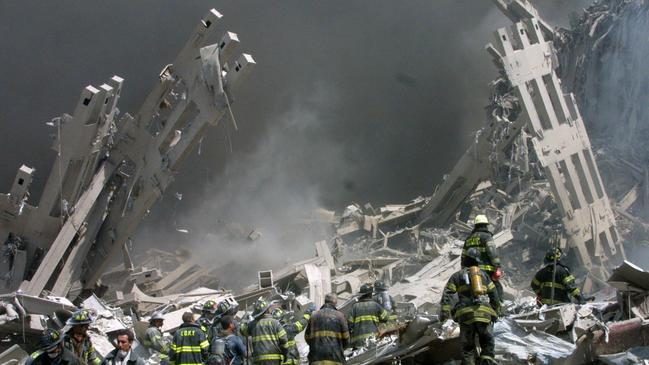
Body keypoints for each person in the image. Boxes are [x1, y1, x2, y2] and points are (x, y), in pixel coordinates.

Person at [440, 247, 501, 365]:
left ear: (465, 260)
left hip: (466, 316)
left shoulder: (456, 276)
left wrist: (445, 313)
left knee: (468, 348)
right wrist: (496, 312)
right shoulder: (484, 276)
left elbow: (447, 295)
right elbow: (494, 296)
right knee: (487, 344)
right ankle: (487, 360)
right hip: (484, 315)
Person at [462, 215, 503, 299]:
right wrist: (497, 266)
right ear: (485, 225)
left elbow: (463, 256)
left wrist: (463, 270)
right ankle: (498, 307)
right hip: (486, 271)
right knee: (497, 288)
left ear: (475, 226)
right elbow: (492, 252)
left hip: (471, 271)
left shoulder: (468, 239)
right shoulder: (486, 237)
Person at [240, 298, 288, 365]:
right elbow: (284, 340)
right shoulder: (275, 323)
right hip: (274, 360)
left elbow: (242, 331)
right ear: (267, 310)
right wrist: (285, 354)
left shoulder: (252, 324)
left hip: (259, 360)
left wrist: (245, 319)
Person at [305, 293, 349, 365]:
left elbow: (307, 337)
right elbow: (346, 339)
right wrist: (339, 349)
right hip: (335, 359)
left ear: (325, 301)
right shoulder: (340, 316)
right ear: (335, 302)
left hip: (316, 359)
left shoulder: (314, 316)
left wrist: (315, 346)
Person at [347, 283, 389, 348]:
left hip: (358, 342)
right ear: (370, 294)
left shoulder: (354, 307)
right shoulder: (375, 305)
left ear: (361, 295)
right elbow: (386, 317)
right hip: (372, 340)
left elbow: (349, 324)